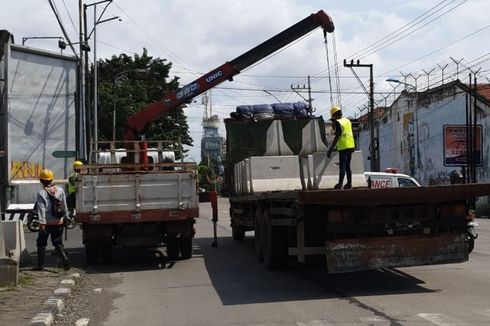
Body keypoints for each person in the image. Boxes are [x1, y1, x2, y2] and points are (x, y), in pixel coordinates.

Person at [34, 169, 70, 271]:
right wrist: (66, 217)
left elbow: (41, 208)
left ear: (41, 180)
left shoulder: (41, 193)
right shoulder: (60, 190)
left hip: (47, 223)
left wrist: (42, 223)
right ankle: (65, 259)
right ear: (51, 179)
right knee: (57, 242)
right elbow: (64, 205)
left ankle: (40, 266)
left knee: (41, 242)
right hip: (59, 222)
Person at [327, 106, 355, 189]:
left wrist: (330, 149)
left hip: (343, 147)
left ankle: (340, 184)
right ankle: (349, 183)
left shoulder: (338, 122)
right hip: (350, 146)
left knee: (342, 166)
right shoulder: (347, 121)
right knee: (347, 166)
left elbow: (337, 137)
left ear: (335, 115)